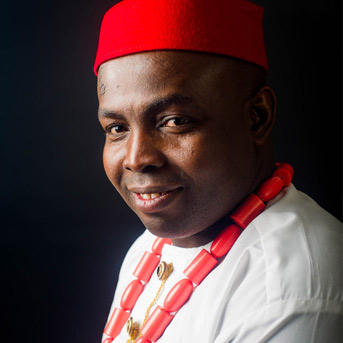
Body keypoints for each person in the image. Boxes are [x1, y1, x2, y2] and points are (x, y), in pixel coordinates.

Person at [94, 0, 342, 342]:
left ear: (257, 117)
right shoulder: (150, 246)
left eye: (175, 121)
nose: (136, 158)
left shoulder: (291, 289)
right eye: (117, 128)